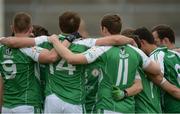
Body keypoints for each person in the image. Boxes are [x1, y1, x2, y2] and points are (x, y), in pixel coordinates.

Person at [0, 12, 58, 114]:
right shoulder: (29, 49)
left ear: (12, 28)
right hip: (27, 104)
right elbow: (52, 56)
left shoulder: (1, 49)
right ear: (31, 29)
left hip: (7, 107)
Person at [134, 27, 180, 113]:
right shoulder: (175, 54)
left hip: (172, 108)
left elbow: (158, 77)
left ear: (142, 42)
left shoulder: (155, 56)